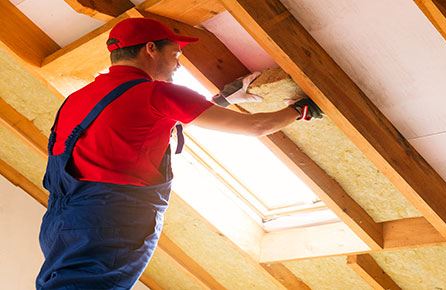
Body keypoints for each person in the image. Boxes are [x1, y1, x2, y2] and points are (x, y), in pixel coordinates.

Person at [36, 17, 322, 289]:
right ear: (150, 49)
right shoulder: (158, 93)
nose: (177, 65)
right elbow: (256, 126)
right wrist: (299, 110)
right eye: (175, 55)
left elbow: (141, 131)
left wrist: (221, 100)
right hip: (111, 222)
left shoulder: (78, 98)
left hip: (61, 225)